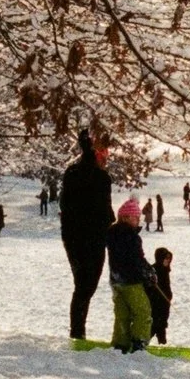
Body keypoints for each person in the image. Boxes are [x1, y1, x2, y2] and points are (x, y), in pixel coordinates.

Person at [58, 130, 114, 339]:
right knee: (87, 284)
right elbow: (104, 210)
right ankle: (77, 331)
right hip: (92, 237)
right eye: (104, 155)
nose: (106, 159)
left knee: (82, 284)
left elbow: (65, 204)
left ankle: (78, 330)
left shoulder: (72, 172)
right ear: (97, 154)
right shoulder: (100, 177)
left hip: (73, 236)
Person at [107, 198, 152, 352]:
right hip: (131, 281)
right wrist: (147, 272)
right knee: (142, 311)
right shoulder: (131, 237)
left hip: (116, 280)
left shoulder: (112, 234)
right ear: (125, 217)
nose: (138, 220)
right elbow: (136, 259)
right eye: (135, 217)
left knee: (122, 313)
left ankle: (121, 342)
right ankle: (139, 342)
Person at [148, 247, 175, 344]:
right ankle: (140, 345)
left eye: (169, 258)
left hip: (164, 305)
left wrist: (169, 296)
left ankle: (162, 344)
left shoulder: (166, 270)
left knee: (161, 326)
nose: (168, 260)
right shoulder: (153, 271)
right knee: (154, 326)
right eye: (166, 258)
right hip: (155, 305)